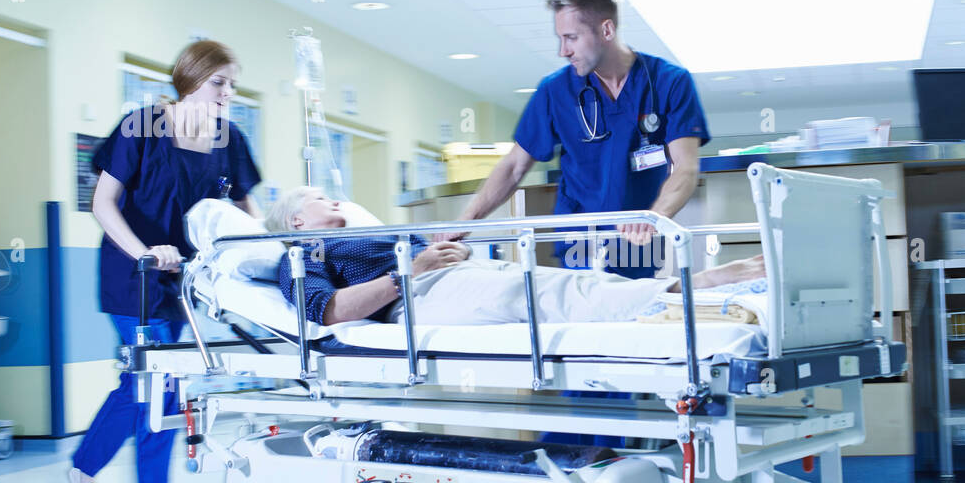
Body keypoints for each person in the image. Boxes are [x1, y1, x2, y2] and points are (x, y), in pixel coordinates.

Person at [68, 40, 262, 483]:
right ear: (189, 79)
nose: (228, 93)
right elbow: (103, 203)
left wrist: (260, 256)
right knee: (161, 389)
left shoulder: (229, 137)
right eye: (219, 82)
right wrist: (143, 253)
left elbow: (244, 210)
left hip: (182, 280)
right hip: (131, 276)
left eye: (232, 84)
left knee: (145, 387)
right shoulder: (142, 125)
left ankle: (85, 468)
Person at [437, 0, 710, 280]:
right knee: (587, 313)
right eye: (560, 38)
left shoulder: (669, 82)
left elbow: (686, 168)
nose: (562, 50)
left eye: (571, 37)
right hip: (580, 237)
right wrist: (466, 220)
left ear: (606, 29)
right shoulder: (556, 90)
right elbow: (514, 166)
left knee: (637, 314)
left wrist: (654, 216)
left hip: (638, 237)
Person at [268, 188, 763, 328]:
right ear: (295, 219)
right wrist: (409, 272)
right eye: (318, 197)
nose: (334, 200)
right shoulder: (299, 254)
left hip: (453, 273)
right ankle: (695, 286)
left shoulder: (373, 232)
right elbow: (328, 311)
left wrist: (449, 252)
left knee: (570, 282)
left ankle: (684, 292)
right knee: (545, 295)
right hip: (415, 296)